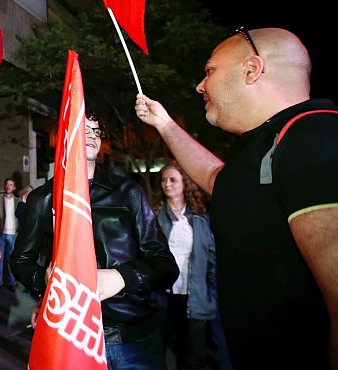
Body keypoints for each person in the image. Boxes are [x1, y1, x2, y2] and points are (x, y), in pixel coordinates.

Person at [134, 27, 338, 369]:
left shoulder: (313, 140)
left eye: (210, 70)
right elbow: (220, 180)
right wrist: (165, 125)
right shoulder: (269, 145)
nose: (200, 85)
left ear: (252, 69)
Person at [11, 112, 179, 369]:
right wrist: (43, 281)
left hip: (132, 336)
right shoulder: (43, 199)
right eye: (82, 128)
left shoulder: (128, 192)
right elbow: (21, 260)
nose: (90, 135)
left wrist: (123, 277)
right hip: (71, 334)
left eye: (95, 131)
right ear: (63, 137)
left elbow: (165, 265)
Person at [152, 162, 219, 370]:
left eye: (173, 180)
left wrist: (213, 293)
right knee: (157, 351)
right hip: (163, 296)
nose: (167, 184)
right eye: (164, 180)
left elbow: (210, 259)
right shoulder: (154, 216)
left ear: (185, 184)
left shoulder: (198, 218)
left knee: (193, 355)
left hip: (194, 295)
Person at [0, 177, 22, 291]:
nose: (8, 186)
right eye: (7, 184)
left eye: (11, 185)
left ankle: (12, 282)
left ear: (14, 187)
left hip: (12, 234)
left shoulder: (18, 201)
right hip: (1, 233)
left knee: (11, 259)